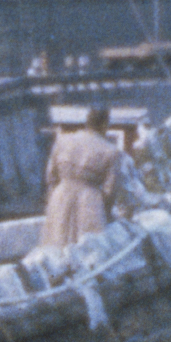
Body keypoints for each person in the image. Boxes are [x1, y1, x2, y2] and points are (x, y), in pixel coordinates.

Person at [40, 103, 125, 250]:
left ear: (87, 121)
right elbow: (110, 190)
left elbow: (51, 176)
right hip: (89, 202)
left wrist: (53, 198)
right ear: (105, 124)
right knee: (87, 251)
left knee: (55, 245)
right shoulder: (111, 151)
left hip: (61, 195)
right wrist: (104, 213)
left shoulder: (63, 141)